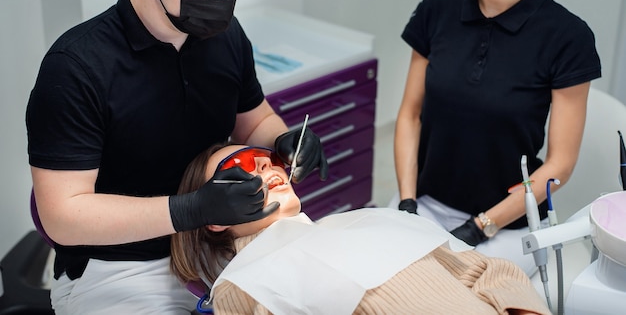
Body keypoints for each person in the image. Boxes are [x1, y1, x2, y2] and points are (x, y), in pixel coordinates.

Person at [25, 0, 327, 313]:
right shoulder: (77, 67)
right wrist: (191, 209)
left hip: (212, 245)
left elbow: (252, 119)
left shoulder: (226, 37)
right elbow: (63, 214)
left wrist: (284, 138)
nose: (224, 4)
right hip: (118, 265)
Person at [393, 0, 602, 276]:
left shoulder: (567, 37)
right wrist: (407, 202)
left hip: (507, 226)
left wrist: (481, 226)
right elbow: (409, 115)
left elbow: (559, 165)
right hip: (423, 204)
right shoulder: (437, 9)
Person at [170, 143, 551, 315]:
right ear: (214, 218)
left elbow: (489, 272)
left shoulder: (369, 220)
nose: (267, 169)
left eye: (265, 160)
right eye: (239, 171)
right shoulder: (245, 284)